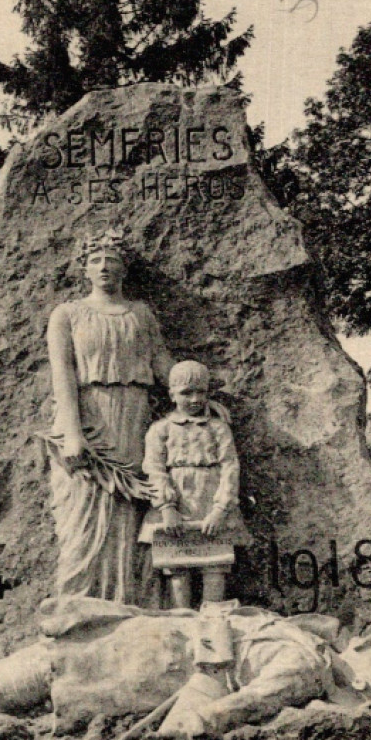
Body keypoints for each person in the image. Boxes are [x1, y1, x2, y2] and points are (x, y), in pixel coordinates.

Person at [44, 228, 172, 604]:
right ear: (84, 268)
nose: (104, 267)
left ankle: (132, 604)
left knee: (131, 512)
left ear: (124, 269)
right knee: (82, 517)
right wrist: (71, 434)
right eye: (96, 260)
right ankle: (78, 604)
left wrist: (196, 393)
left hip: (133, 419)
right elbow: (63, 375)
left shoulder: (140, 314)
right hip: (86, 419)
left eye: (111, 260)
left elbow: (162, 363)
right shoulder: (67, 314)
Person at [139, 360, 251, 607]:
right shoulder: (160, 430)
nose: (194, 399)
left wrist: (220, 510)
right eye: (186, 393)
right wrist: (167, 508)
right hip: (176, 512)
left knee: (215, 569)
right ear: (172, 395)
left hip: (211, 508)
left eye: (200, 392)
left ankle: (213, 628)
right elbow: (154, 470)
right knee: (177, 573)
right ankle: (183, 627)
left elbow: (230, 468)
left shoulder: (219, 429)